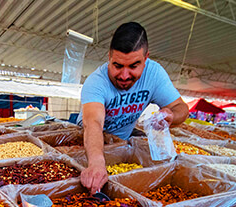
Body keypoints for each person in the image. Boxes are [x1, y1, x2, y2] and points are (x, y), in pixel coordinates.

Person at [78, 22, 189, 193]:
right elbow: (93, 123)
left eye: (133, 66)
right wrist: (96, 163)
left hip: (122, 146)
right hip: (88, 147)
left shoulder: (154, 74)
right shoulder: (96, 82)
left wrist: (171, 115)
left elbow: (181, 107)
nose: (124, 75)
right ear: (109, 57)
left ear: (146, 58)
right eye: (117, 65)